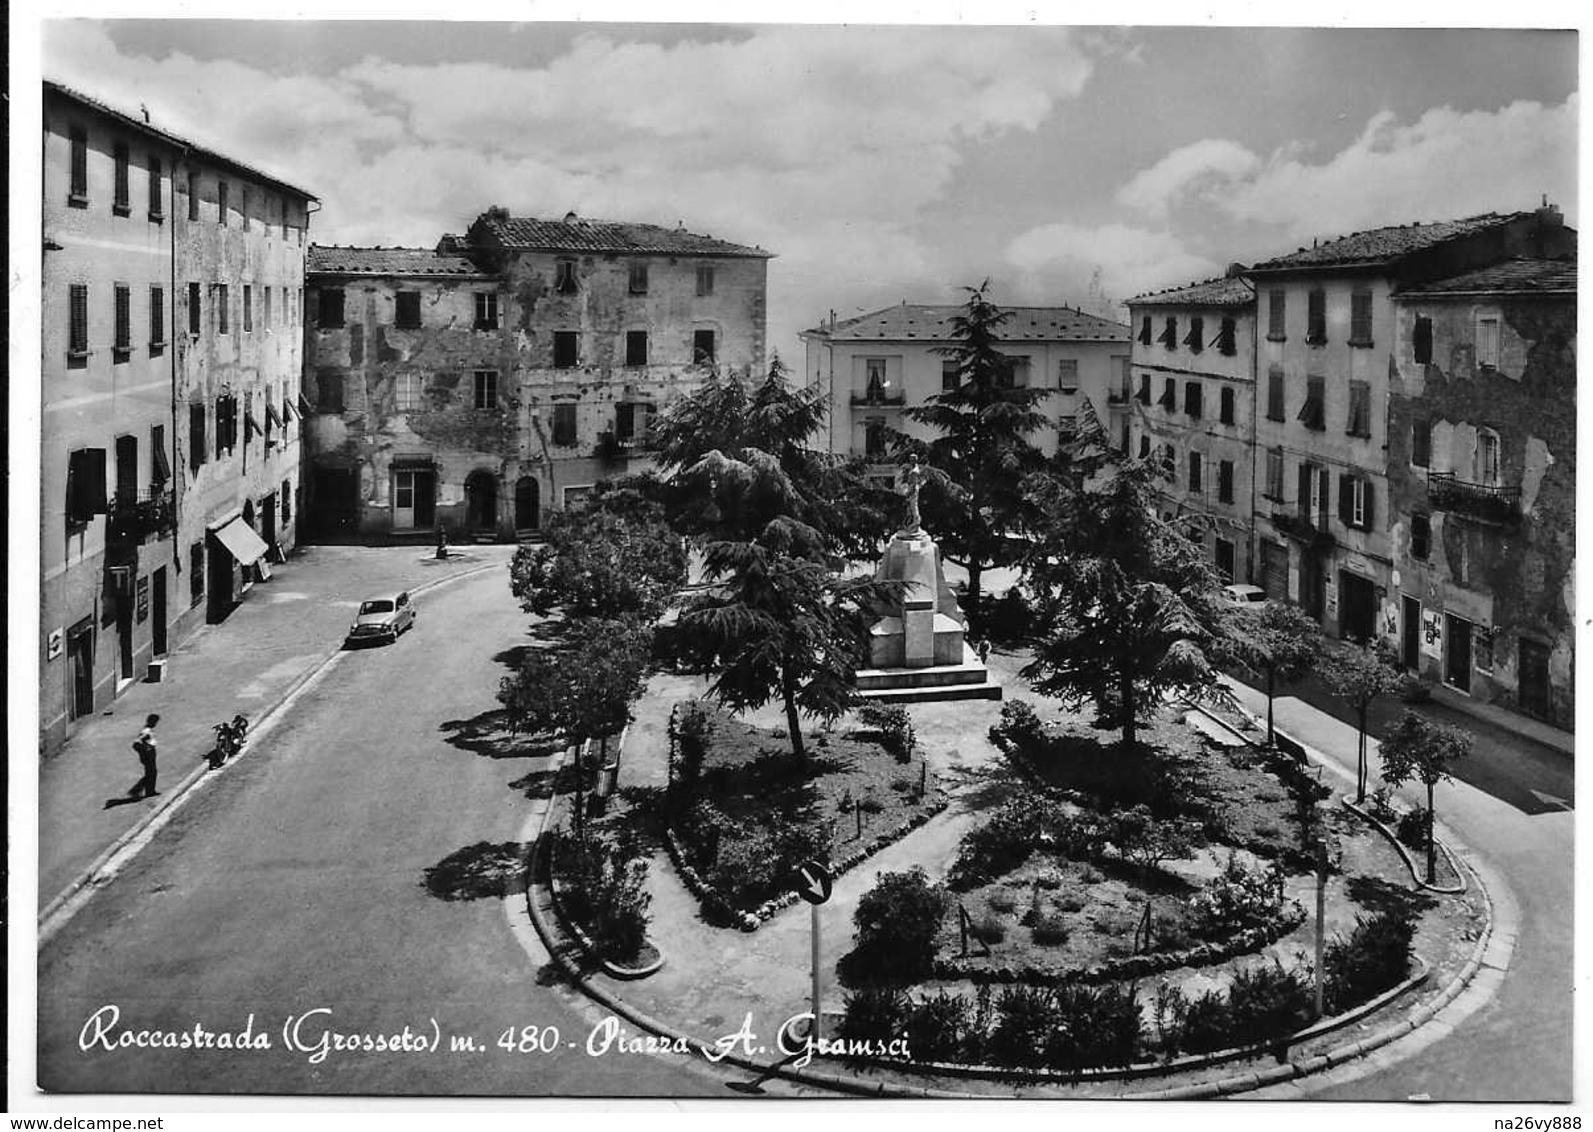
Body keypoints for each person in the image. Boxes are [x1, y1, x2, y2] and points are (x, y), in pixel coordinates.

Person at [131, 713, 160, 799]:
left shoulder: (148, 730)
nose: (156, 723)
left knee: (152, 773)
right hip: (148, 755)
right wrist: (146, 751)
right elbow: (136, 743)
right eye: (155, 722)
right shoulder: (146, 731)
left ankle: (149, 791)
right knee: (151, 773)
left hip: (150, 753)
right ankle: (148, 791)